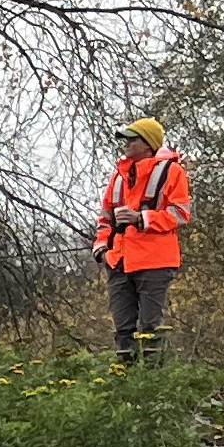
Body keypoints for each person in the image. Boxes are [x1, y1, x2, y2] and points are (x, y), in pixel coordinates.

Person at [95, 115, 190, 362]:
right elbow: (105, 219)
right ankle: (124, 378)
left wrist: (141, 218)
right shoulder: (118, 177)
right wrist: (102, 249)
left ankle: (151, 381)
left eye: (131, 140)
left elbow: (180, 214)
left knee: (150, 328)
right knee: (123, 329)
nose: (125, 145)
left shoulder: (172, 171)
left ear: (148, 143)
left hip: (155, 261)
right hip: (119, 261)